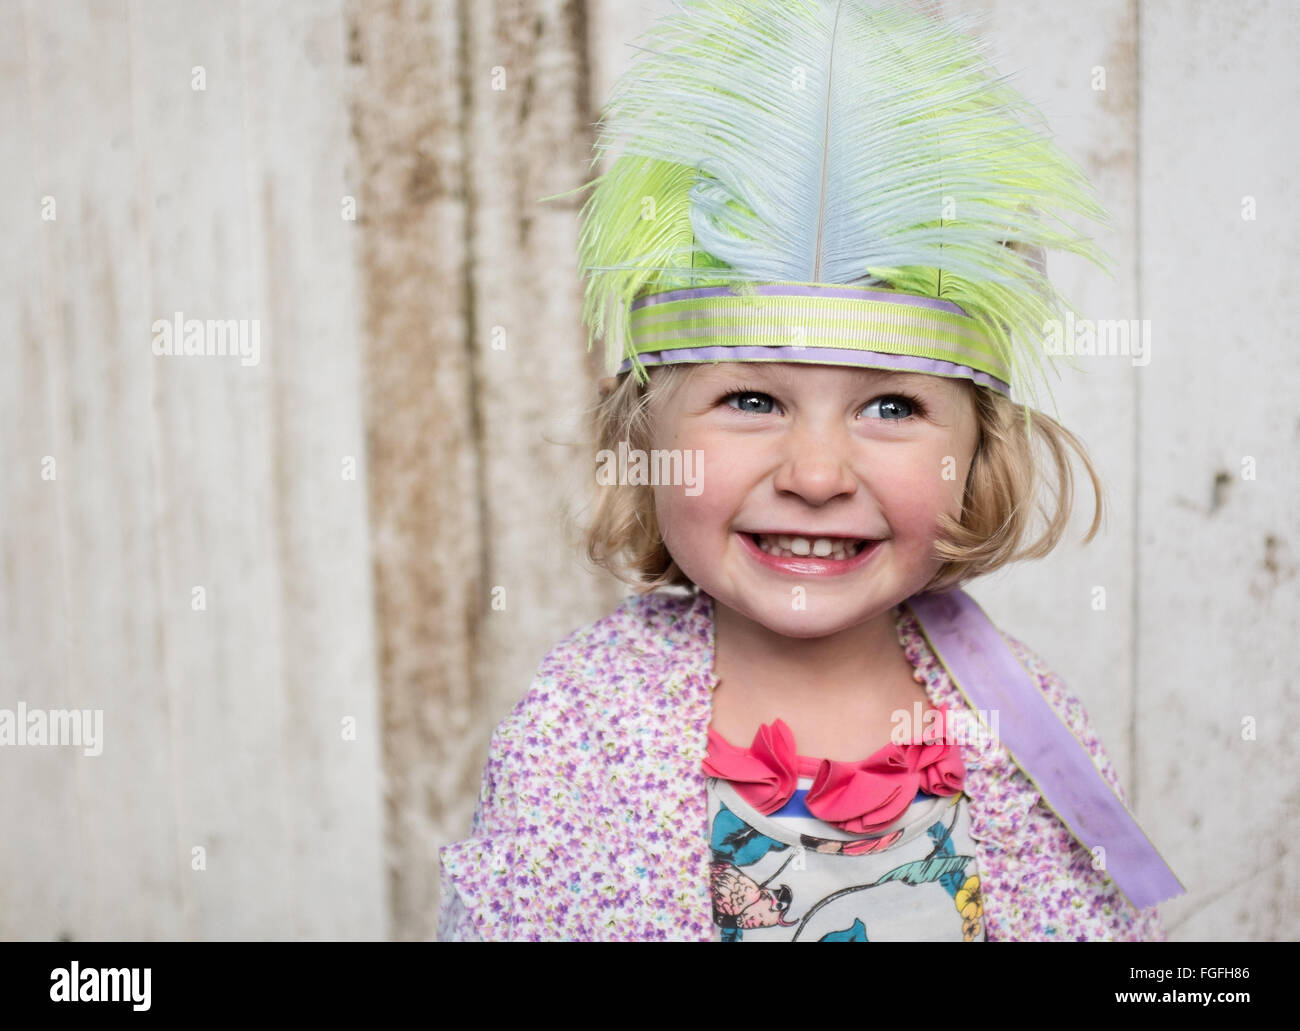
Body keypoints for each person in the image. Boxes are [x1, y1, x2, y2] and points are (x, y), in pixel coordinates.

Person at [437, 0, 1184, 941]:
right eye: (752, 401)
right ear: (640, 434)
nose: (819, 473)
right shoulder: (578, 729)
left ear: (977, 454)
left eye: (892, 407)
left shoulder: (1022, 732)